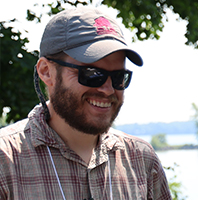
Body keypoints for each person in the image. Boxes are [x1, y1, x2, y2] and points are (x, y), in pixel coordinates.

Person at [0, 6, 172, 200]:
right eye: (92, 74)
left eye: (118, 77)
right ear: (46, 71)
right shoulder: (5, 160)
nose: (107, 90)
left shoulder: (142, 159)